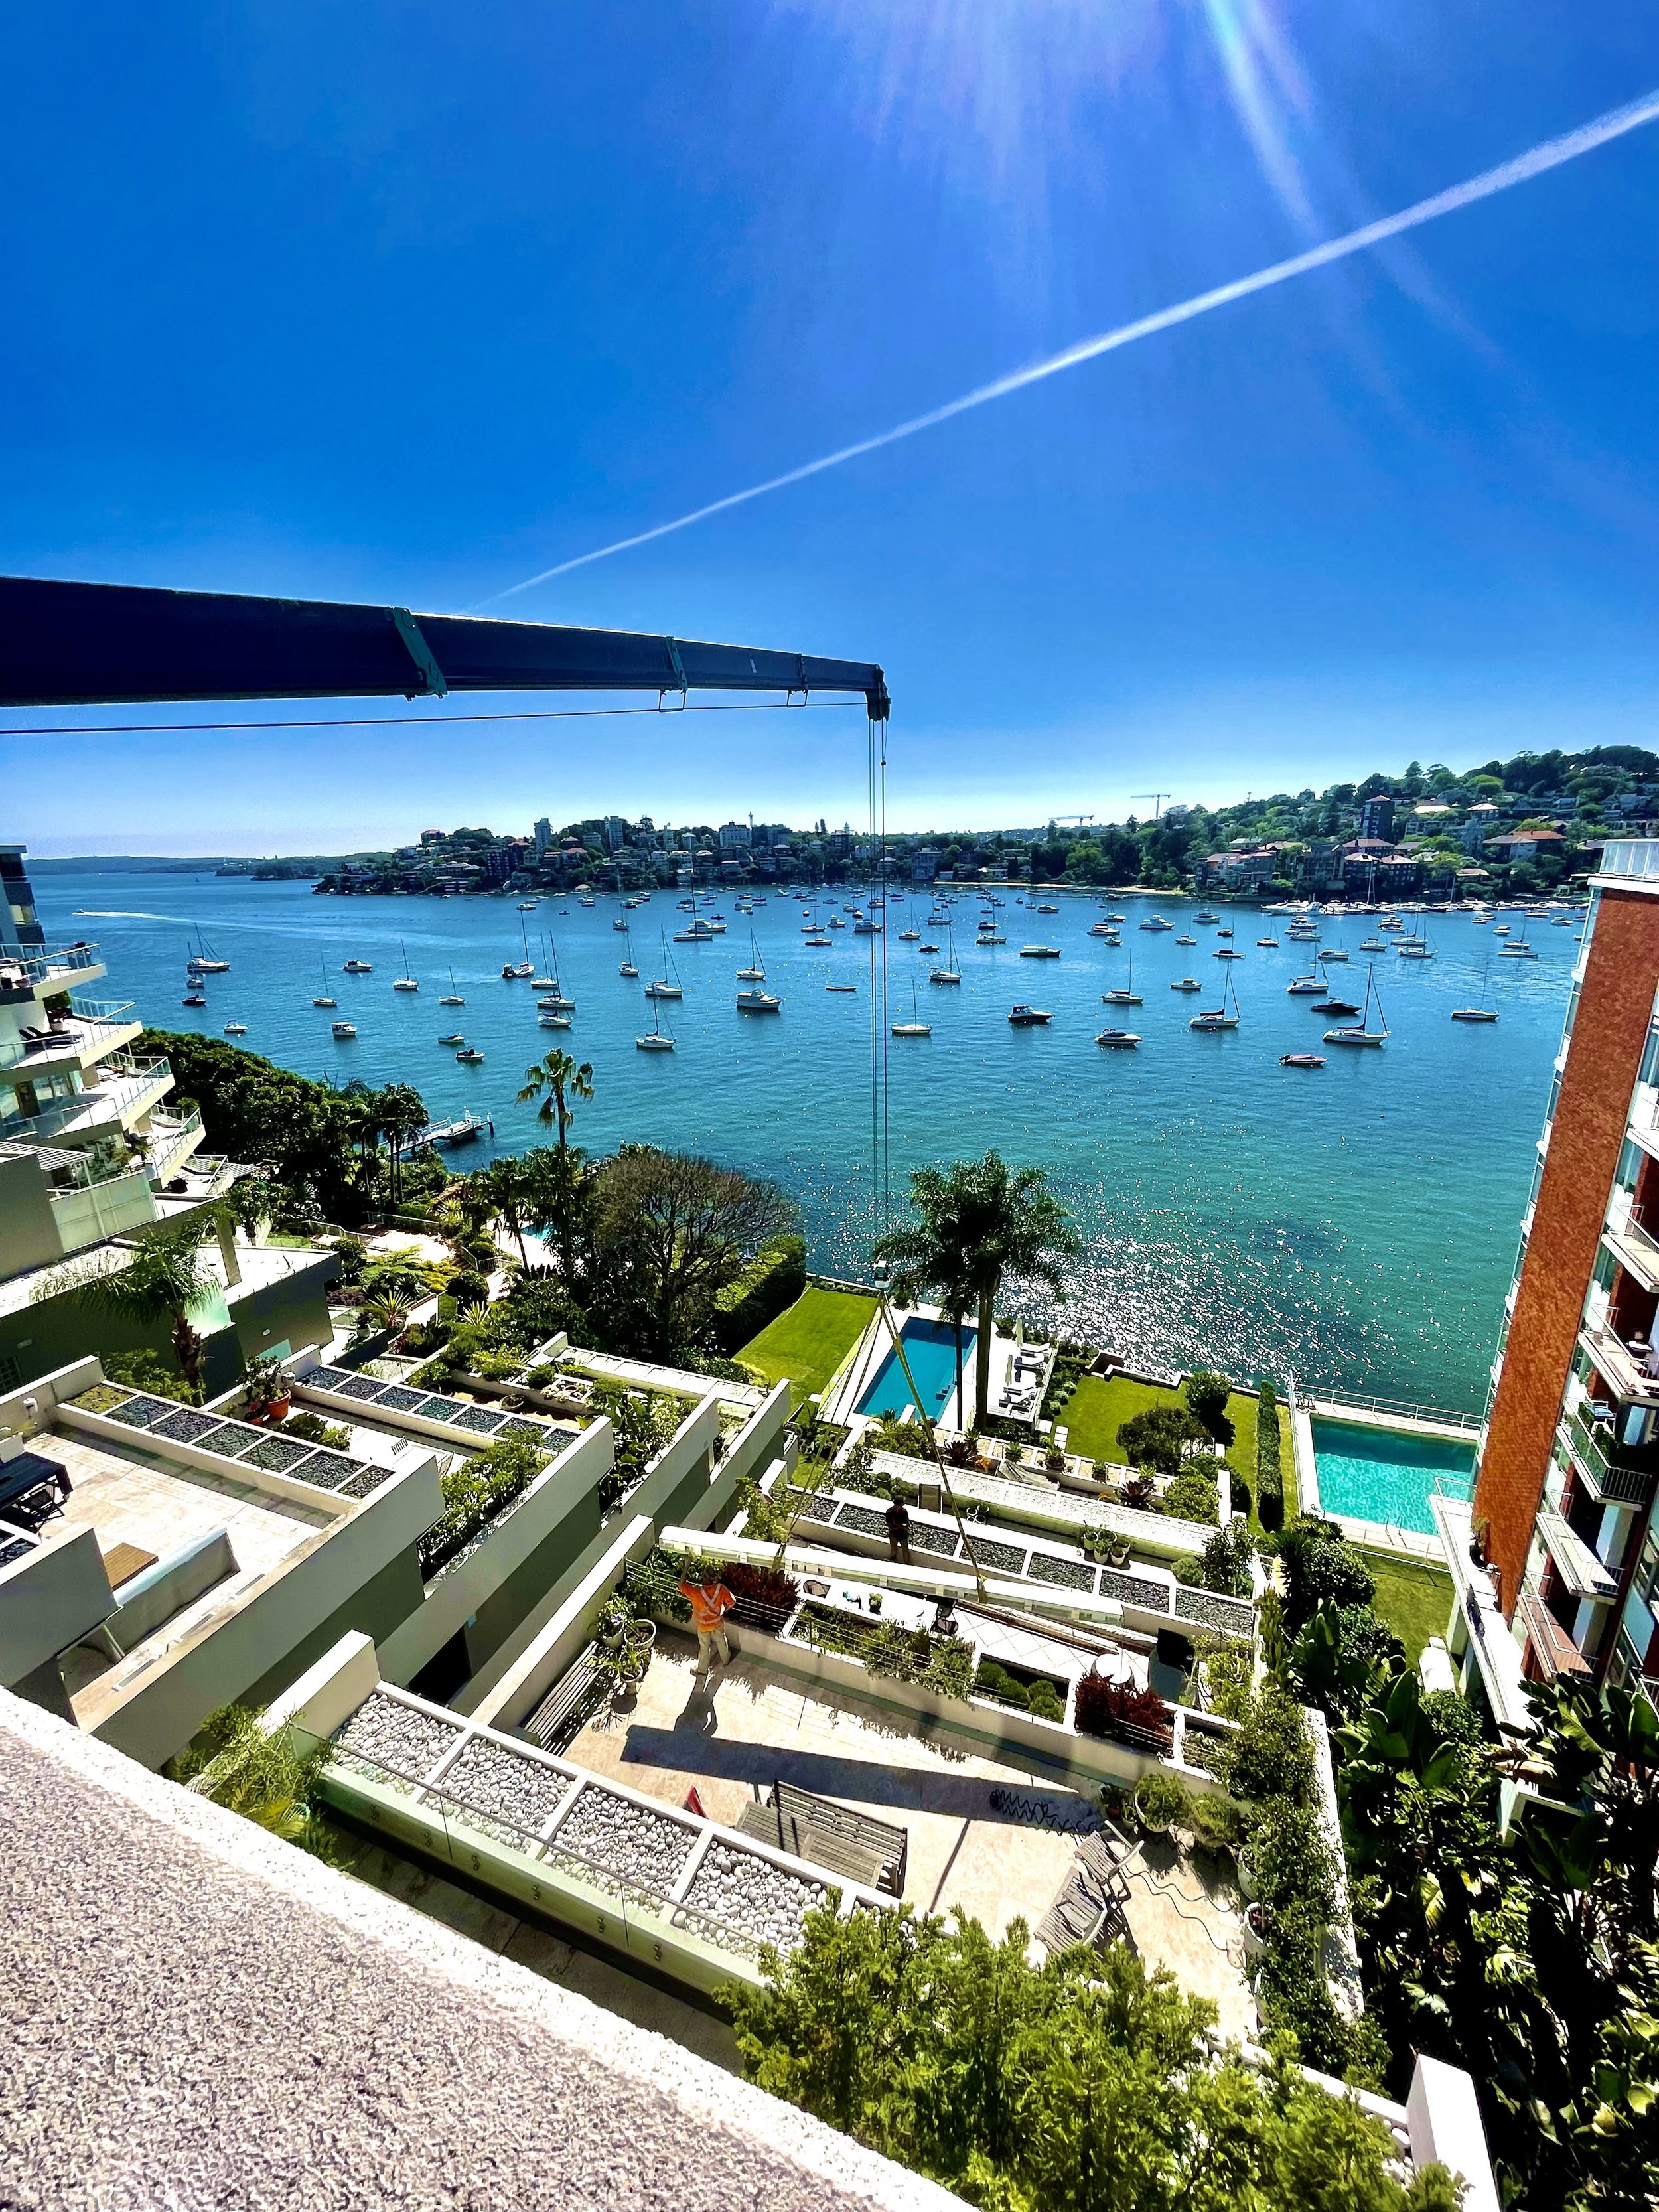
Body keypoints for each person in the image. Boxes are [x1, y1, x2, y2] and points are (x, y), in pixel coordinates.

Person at [679, 1567, 736, 1672]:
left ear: (704, 1577)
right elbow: (732, 1601)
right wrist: (723, 1610)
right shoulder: (721, 1588)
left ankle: (703, 1670)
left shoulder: (696, 1592)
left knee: (704, 1647)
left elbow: (681, 1585)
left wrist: (686, 1567)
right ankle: (726, 1659)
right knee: (721, 1640)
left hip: (703, 1626)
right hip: (717, 1623)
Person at [884, 1496, 912, 1564]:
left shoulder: (904, 1512)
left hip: (903, 1535)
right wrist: (901, 1526)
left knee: (906, 1551)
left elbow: (907, 1525)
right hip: (894, 1535)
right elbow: (890, 1527)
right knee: (893, 1551)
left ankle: (907, 1564)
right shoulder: (889, 1512)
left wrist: (897, 1526)